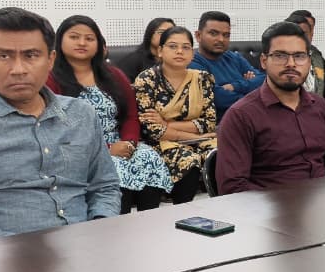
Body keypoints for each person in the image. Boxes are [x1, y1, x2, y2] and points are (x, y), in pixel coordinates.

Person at [0, 7, 120, 238]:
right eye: (3, 56)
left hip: (85, 243)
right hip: (7, 250)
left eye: (31, 55)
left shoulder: (81, 114)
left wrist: (100, 230)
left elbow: (104, 186)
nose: (19, 69)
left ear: (50, 60)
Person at [47, 16, 174, 213]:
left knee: (149, 157)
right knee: (114, 168)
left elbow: (131, 115)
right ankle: (117, 226)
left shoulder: (113, 75)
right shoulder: (50, 79)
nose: (82, 43)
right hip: (77, 149)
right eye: (74, 37)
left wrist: (129, 142)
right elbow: (54, 128)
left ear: (98, 44)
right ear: (60, 41)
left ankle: (149, 222)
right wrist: (107, 149)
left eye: (89, 38)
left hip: (121, 143)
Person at [215, 22, 325, 193]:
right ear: (264, 61)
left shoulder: (319, 106)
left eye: (299, 56)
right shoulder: (241, 116)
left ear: (309, 61)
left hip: (324, 202)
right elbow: (233, 187)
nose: (291, 63)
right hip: (270, 207)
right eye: (280, 56)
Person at [133, 26, 217, 203]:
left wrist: (167, 123)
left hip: (200, 140)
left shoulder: (202, 78)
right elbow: (152, 130)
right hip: (161, 144)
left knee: (222, 153)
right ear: (160, 51)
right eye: (172, 46)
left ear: (192, 53)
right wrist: (194, 136)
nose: (180, 51)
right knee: (188, 160)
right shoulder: (147, 79)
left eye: (186, 47)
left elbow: (209, 122)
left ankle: (222, 208)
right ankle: (182, 211)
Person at [189, 11, 264, 120]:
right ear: (198, 36)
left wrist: (235, 86)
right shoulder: (192, 64)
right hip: (220, 124)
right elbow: (218, 98)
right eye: (213, 33)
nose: (221, 39)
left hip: (251, 118)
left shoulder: (234, 58)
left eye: (226, 35)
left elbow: (263, 79)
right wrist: (251, 89)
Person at [286, 11, 325, 116]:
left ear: (311, 35)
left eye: (304, 34)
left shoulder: (317, 59)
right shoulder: (280, 63)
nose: (299, 38)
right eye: (294, 34)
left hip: (322, 115)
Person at [117, 17, 176, 82]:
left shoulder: (178, 58)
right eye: (161, 32)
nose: (167, 36)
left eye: (171, 33)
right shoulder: (133, 61)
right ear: (150, 34)